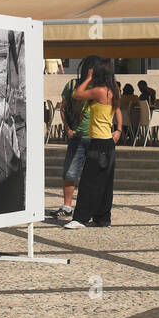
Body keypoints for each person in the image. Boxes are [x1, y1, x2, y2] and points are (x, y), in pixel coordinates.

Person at [66, 58, 123, 229]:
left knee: (89, 181)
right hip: (108, 144)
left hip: (98, 143)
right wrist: (119, 129)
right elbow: (118, 110)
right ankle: (103, 218)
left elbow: (77, 94)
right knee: (105, 183)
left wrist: (88, 79)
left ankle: (81, 218)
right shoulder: (113, 91)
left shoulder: (99, 91)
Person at [54, 55, 98, 220]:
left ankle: (91, 207)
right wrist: (67, 128)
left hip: (97, 136)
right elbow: (63, 108)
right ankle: (67, 206)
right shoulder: (73, 85)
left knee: (92, 174)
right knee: (70, 171)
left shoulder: (101, 87)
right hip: (77, 135)